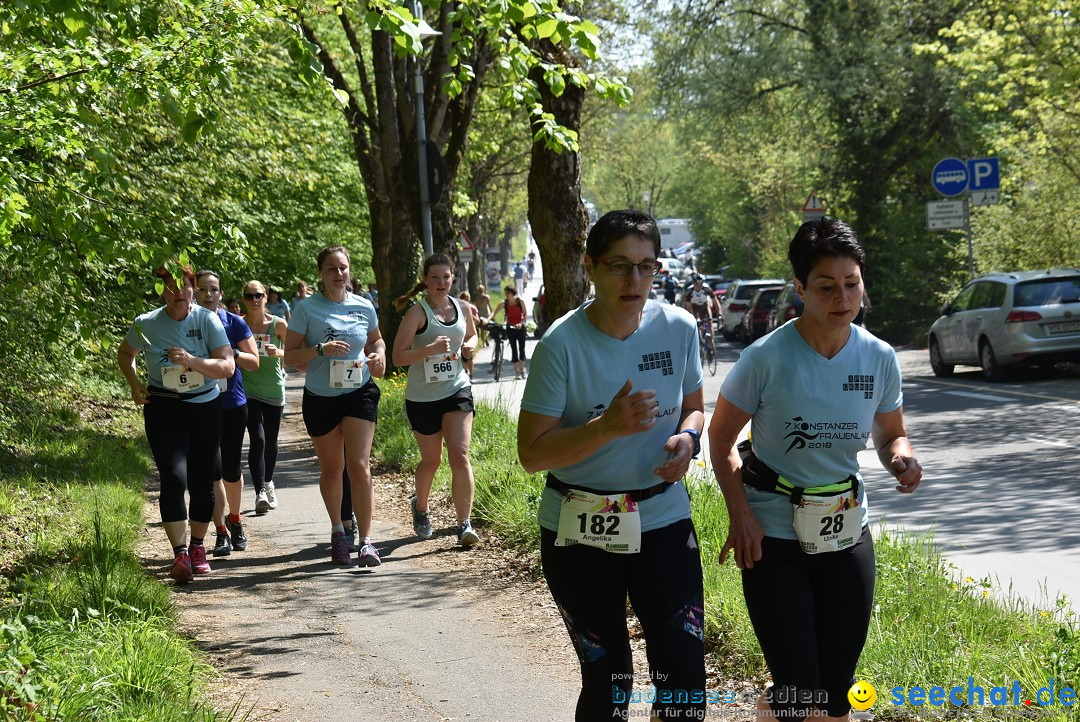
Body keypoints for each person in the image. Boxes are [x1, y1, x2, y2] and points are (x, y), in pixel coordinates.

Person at [707, 216, 922, 722]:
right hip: (773, 535)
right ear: (800, 288)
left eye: (852, 284)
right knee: (797, 689)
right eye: (826, 287)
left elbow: (891, 433)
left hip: (846, 528)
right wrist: (740, 514)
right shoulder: (765, 359)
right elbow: (719, 439)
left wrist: (901, 460)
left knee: (836, 689)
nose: (842, 298)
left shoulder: (878, 358)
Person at [517, 209, 707, 721]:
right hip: (580, 527)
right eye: (620, 266)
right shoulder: (561, 343)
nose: (635, 280)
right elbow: (532, 454)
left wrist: (689, 437)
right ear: (590, 267)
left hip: (663, 519)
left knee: (684, 676)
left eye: (646, 267)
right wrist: (605, 427)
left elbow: (694, 403)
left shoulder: (679, 327)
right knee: (610, 679)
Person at [117, 264, 234, 582]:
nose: (177, 293)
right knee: (172, 476)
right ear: (163, 292)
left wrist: (192, 361)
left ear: (193, 288)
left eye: (183, 286)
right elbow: (125, 353)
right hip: (164, 408)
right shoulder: (147, 323)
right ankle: (179, 553)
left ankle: (198, 546)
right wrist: (134, 382)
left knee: (201, 479)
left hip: (204, 409)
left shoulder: (207, 319)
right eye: (170, 287)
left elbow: (227, 366)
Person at [283, 245, 386, 566]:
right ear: (321, 274)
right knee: (332, 469)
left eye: (343, 268)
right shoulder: (305, 309)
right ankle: (339, 531)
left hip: (359, 391)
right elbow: (289, 357)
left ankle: (367, 541)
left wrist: (379, 354)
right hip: (321, 397)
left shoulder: (364, 305)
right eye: (332, 269)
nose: (339, 274)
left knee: (359, 466)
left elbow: (377, 339)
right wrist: (320, 349)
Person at [391, 254, 481, 547]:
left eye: (446, 277)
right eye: (434, 277)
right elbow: (397, 357)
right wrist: (428, 349)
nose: (441, 283)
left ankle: (464, 524)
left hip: (456, 389)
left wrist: (470, 345)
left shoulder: (462, 307)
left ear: (453, 278)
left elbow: (472, 335)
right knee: (431, 461)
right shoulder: (417, 313)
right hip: (422, 397)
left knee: (460, 455)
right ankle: (421, 506)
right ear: (425, 280)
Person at [195, 270, 260, 558]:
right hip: (200, 404)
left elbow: (255, 362)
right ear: (194, 293)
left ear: (221, 293)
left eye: (214, 289)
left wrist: (231, 353)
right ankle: (220, 531)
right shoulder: (188, 324)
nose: (208, 295)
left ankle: (236, 521)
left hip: (233, 404)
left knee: (232, 471)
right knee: (212, 471)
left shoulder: (233, 322)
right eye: (202, 290)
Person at [240, 280, 288, 516]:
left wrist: (279, 352)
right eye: (249, 296)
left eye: (258, 295)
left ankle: (269, 482)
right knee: (256, 439)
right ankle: (259, 491)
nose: (254, 300)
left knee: (270, 441)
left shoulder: (279, 325)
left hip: (273, 390)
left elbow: (297, 354)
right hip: (248, 390)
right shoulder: (239, 324)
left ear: (266, 297)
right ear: (243, 300)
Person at [487, 286, 528, 379]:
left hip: (520, 328)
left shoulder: (520, 302)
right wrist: (487, 320)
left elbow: (525, 315)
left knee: (522, 349)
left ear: (513, 293)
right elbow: (494, 313)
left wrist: (521, 323)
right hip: (510, 328)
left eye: (508, 293)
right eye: (505, 293)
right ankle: (517, 371)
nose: (506, 295)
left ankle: (523, 369)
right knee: (514, 350)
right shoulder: (504, 303)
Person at [457, 290, 481, 379]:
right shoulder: (457, 308)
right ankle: (466, 372)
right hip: (461, 334)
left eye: (468, 299)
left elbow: (478, 321)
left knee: (470, 355)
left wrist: (471, 316)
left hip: (470, 333)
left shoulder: (473, 308)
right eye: (465, 299)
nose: (467, 301)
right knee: (463, 356)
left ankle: (471, 374)